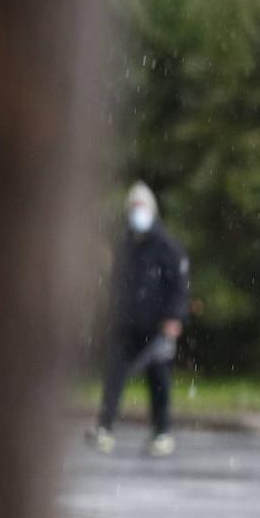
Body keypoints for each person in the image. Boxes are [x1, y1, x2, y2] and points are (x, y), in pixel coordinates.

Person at [87, 181, 190, 457]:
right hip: (126, 324)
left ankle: (162, 432)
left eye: (141, 206)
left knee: (159, 380)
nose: (137, 212)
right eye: (133, 207)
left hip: (157, 326)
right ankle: (104, 427)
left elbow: (179, 284)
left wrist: (173, 318)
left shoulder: (166, 245)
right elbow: (116, 283)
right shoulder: (125, 244)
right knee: (114, 377)